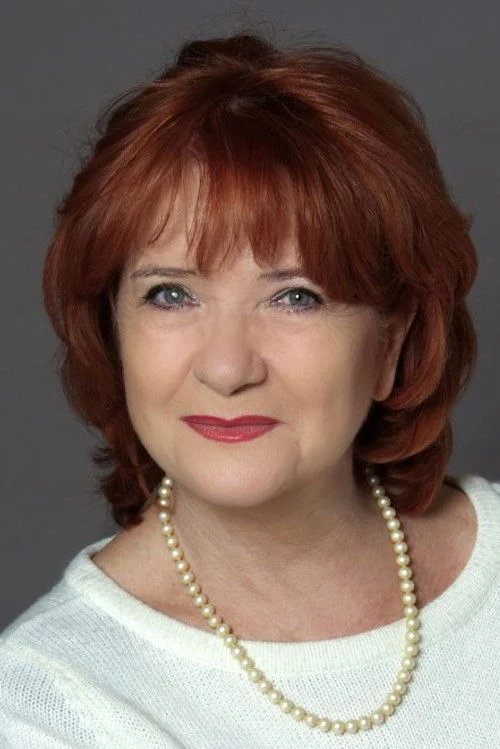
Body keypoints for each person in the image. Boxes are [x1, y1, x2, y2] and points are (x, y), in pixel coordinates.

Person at [0, 30, 498, 749]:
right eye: (171, 294)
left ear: (390, 345)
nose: (228, 368)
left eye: (295, 297)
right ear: (112, 332)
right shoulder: (47, 703)